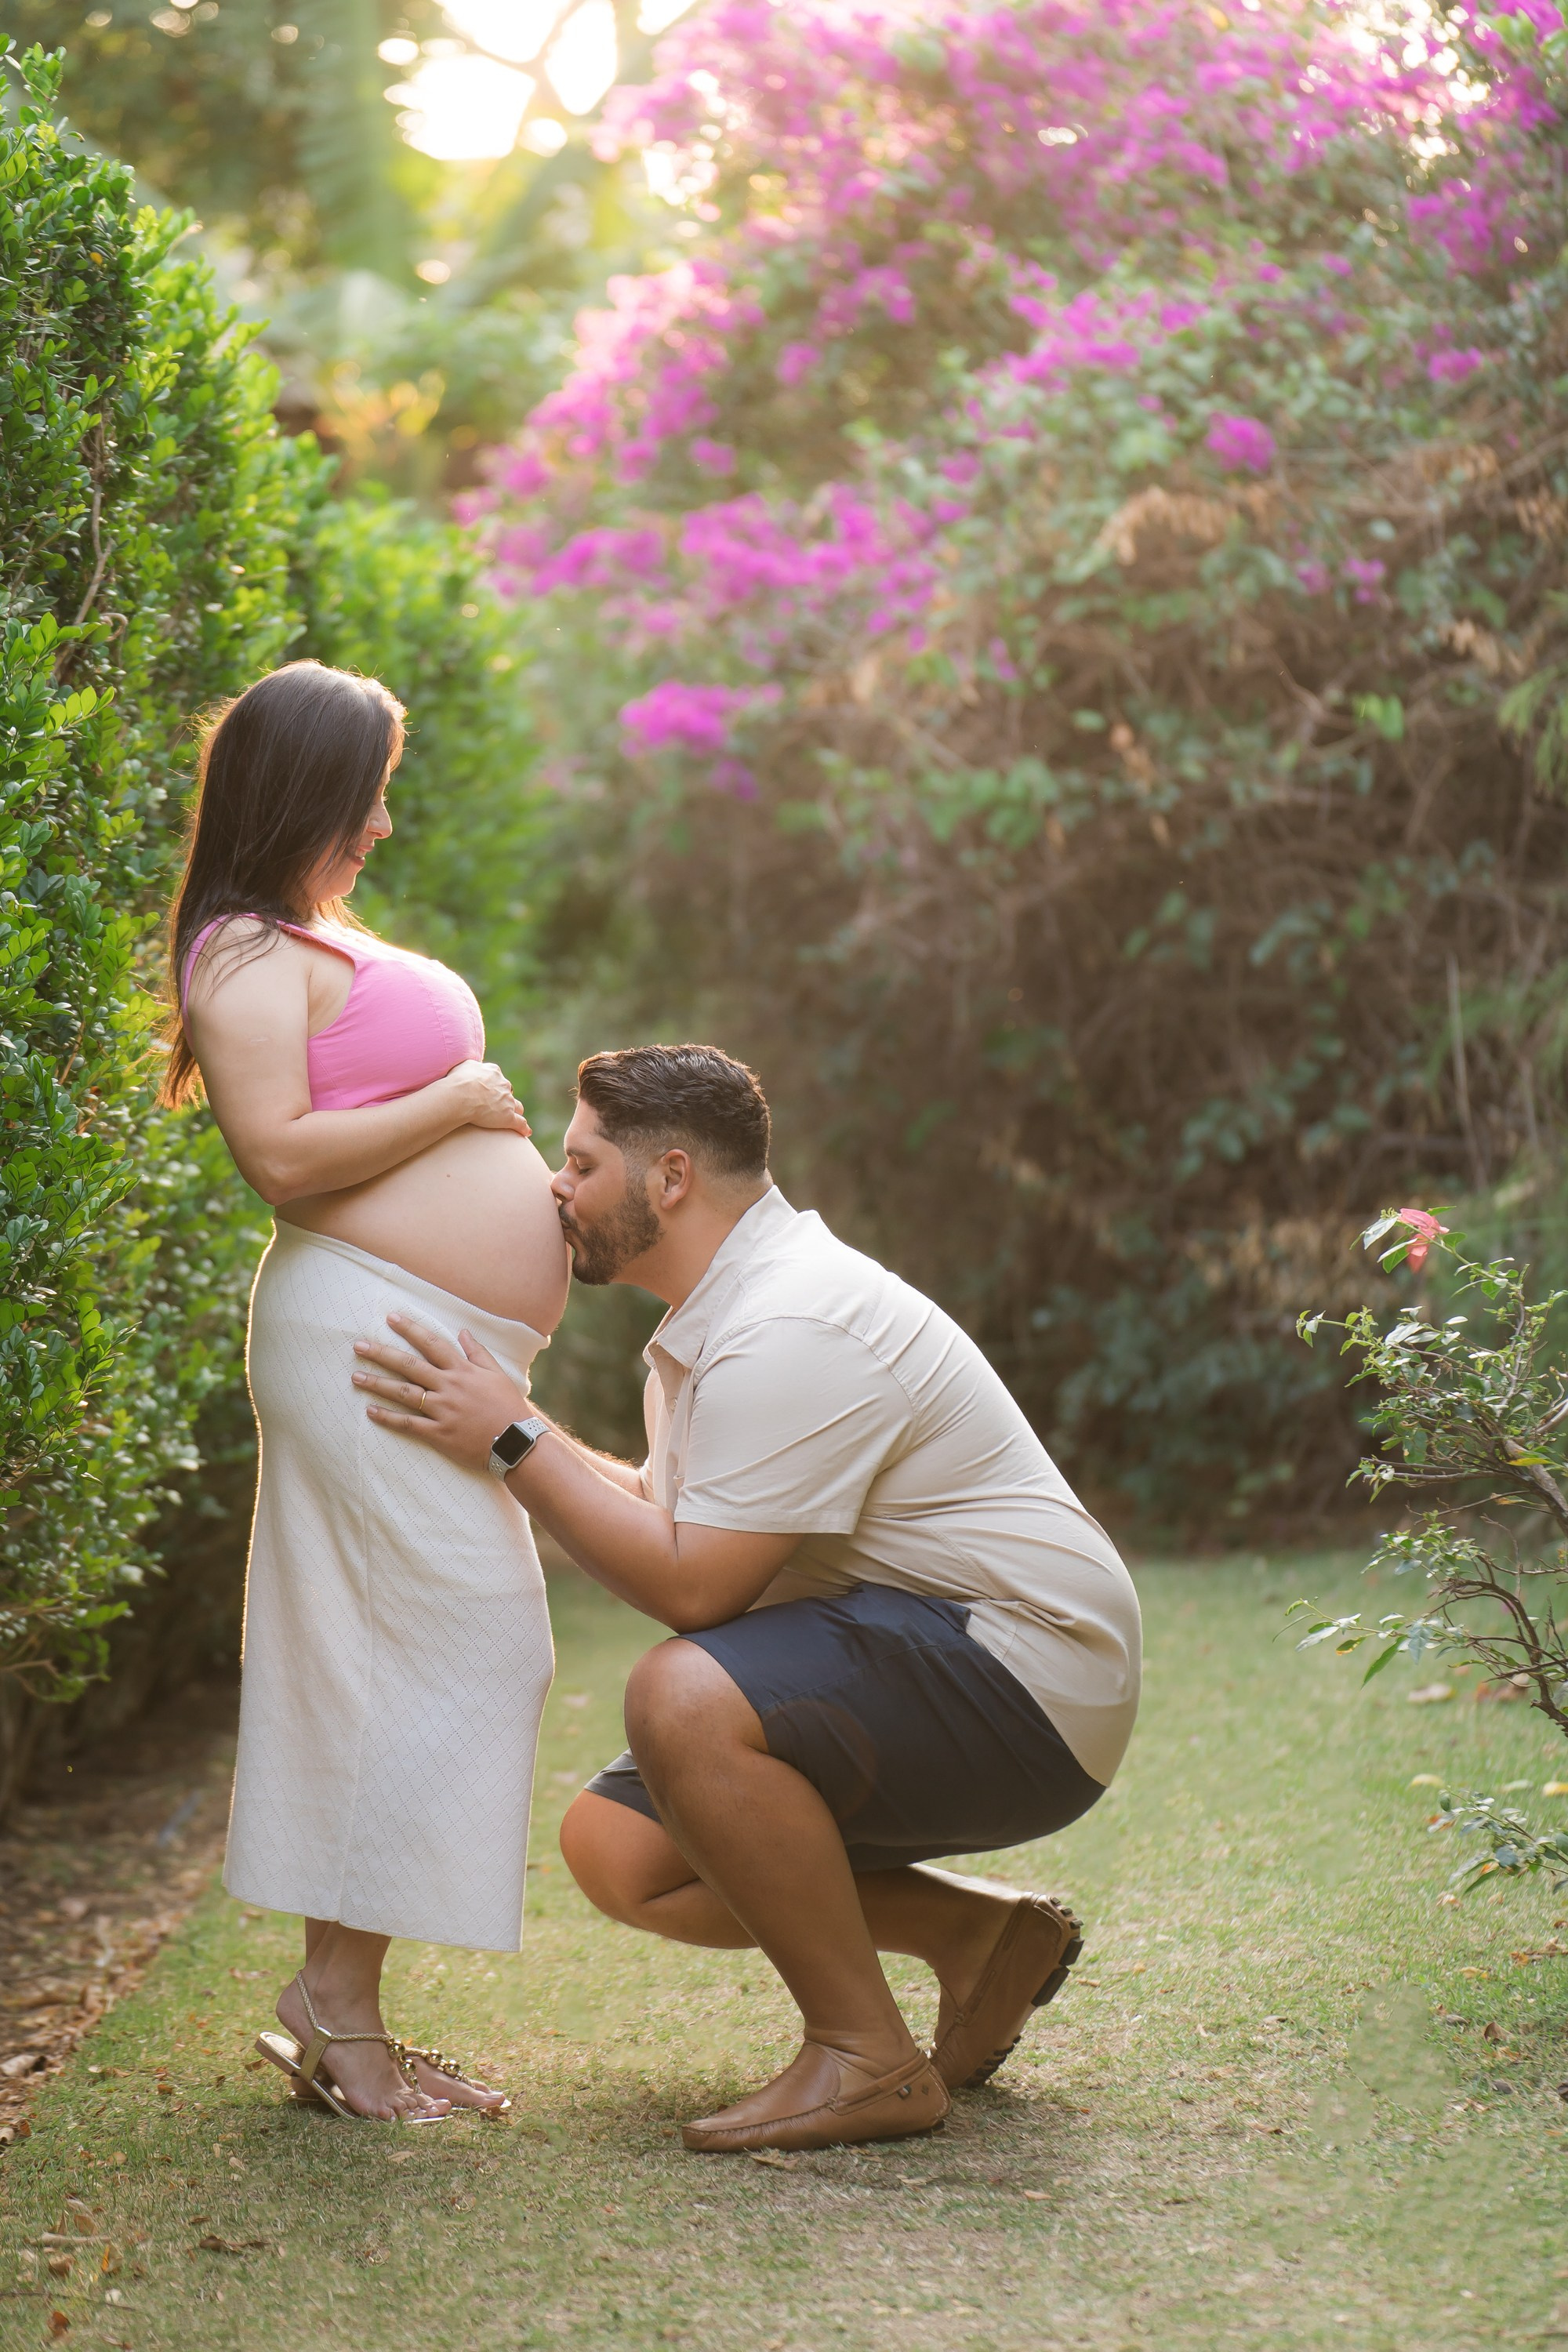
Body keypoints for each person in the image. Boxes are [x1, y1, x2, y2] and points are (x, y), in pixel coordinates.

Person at [351, 1043, 1141, 2154]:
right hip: (954, 1651)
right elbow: (676, 1512)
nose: (555, 1188)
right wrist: (506, 1432)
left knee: (684, 1693)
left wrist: (513, 1435)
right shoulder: (726, 1313)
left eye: (579, 1164)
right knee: (616, 1848)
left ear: (669, 1178)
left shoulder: (791, 1325)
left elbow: (698, 1588)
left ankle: (865, 2059)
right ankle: (978, 1940)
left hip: (1032, 1671)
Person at [166, 660, 569, 2123]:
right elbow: (277, 1156)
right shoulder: (238, 955)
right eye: (369, 796)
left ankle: (339, 2005)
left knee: (418, 1649)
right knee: (468, 1639)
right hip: (366, 1339)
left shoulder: (303, 937)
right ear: (306, 793)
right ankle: (338, 2007)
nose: (383, 826)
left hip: (416, 1334)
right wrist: (460, 1105)